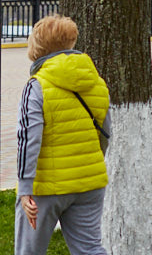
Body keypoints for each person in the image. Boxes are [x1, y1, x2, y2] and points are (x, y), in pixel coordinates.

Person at [15, 14, 111, 255]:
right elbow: (106, 132)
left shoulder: (36, 86)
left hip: (45, 189)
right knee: (89, 249)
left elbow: (29, 140)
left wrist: (25, 189)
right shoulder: (96, 83)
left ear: (37, 47)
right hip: (89, 183)